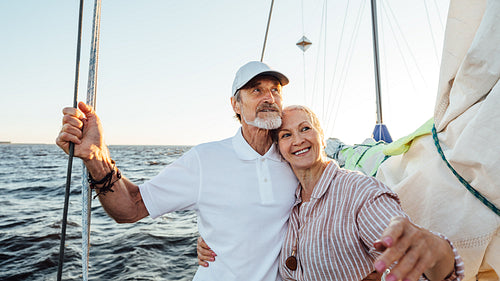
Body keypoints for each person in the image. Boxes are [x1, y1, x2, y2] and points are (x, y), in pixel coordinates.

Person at [56, 61, 299, 281]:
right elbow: (131, 207)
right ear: (236, 104)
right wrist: (97, 156)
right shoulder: (205, 159)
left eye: (275, 90)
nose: (269, 97)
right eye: (257, 90)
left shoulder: (295, 158)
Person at [198, 105, 465, 281]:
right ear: (278, 148)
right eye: (286, 135)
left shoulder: (359, 192)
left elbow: (418, 261)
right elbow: (250, 227)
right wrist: (215, 240)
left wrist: (435, 250)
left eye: (305, 128)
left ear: (322, 137)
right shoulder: (285, 201)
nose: (298, 140)